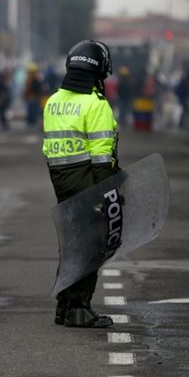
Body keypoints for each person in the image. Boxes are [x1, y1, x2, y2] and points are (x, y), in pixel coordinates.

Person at [43, 40, 119, 328]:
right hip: (88, 179)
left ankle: (64, 306)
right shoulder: (95, 104)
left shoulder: (53, 101)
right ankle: (79, 308)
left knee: (72, 242)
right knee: (92, 245)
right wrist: (108, 192)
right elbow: (101, 157)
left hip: (61, 180)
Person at [23, 63, 45, 127]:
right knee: (32, 111)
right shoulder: (30, 78)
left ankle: (32, 122)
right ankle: (31, 122)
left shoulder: (36, 78)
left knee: (33, 111)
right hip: (32, 97)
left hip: (35, 97)